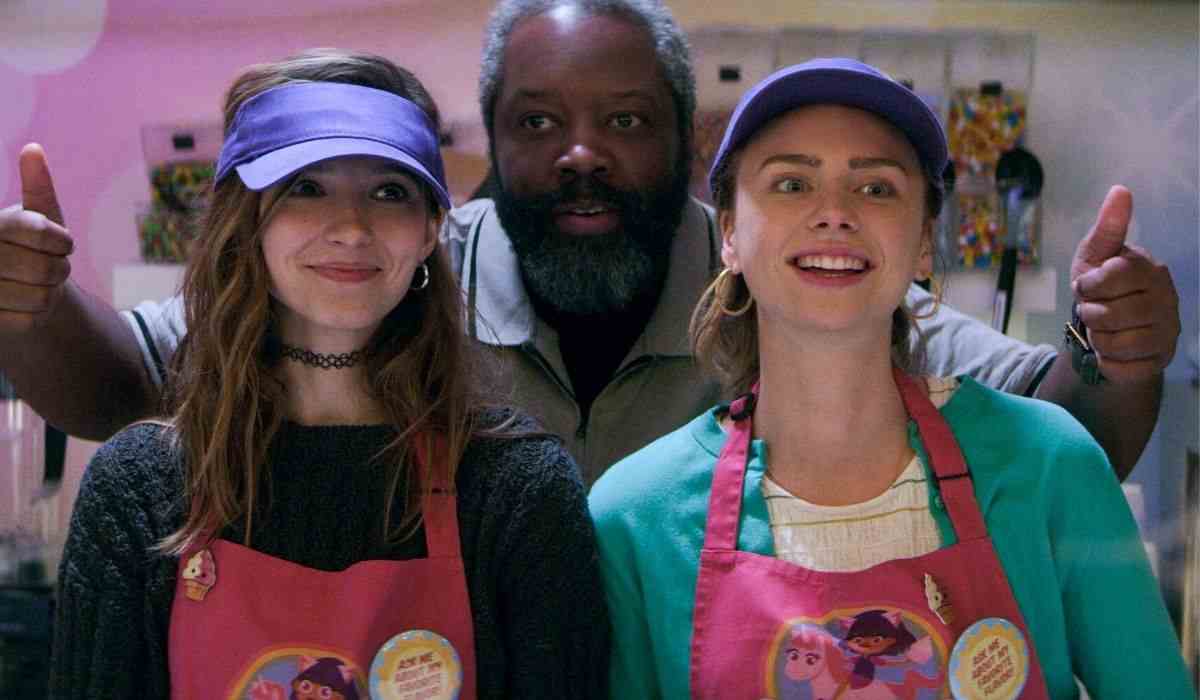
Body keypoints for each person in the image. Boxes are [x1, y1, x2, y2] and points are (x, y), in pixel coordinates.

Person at [0, 0, 1180, 483]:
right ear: (488, 146)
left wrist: (1111, 349)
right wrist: (34, 305)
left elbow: (1067, 435)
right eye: (537, 123)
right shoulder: (399, 271)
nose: (581, 155)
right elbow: (121, 384)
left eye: (623, 122)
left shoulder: (788, 282)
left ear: (686, 140)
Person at [588, 58, 1194, 699]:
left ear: (925, 240)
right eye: (791, 183)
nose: (834, 212)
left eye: (876, 188)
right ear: (730, 233)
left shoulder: (1050, 464)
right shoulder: (635, 517)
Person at [49, 49, 607, 699]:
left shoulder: (516, 491)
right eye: (307, 187)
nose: (350, 227)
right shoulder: (141, 490)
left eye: (389, 191)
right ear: (247, 221)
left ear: (430, 230)